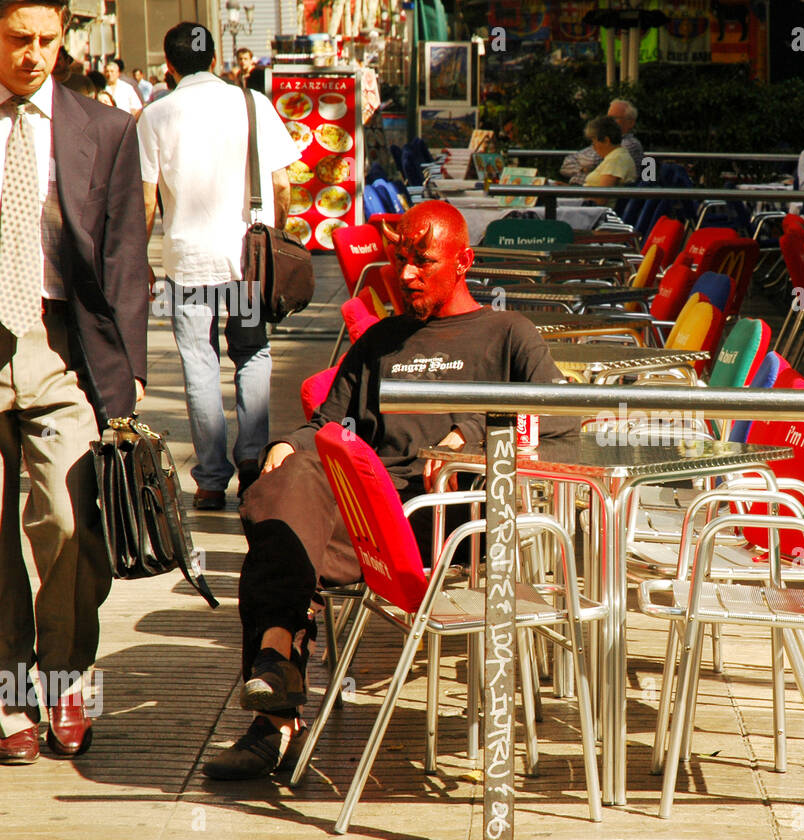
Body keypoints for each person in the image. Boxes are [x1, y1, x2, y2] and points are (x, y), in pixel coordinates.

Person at [202, 201, 577, 779]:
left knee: (288, 531)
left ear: (464, 262)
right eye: (399, 259)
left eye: (422, 261)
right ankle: (277, 673)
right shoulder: (380, 340)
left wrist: (473, 432)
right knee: (282, 483)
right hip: (361, 511)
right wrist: (291, 444)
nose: (404, 276)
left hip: (442, 520)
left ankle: (273, 714)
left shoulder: (507, 334)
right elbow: (328, 423)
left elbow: (562, 417)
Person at [0, 0, 150, 764]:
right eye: (18, 40)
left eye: (48, 41)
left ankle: (68, 679)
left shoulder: (108, 129)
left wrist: (129, 375)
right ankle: (7, 699)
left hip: (63, 349)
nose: (34, 55)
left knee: (66, 518)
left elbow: (126, 260)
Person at [137, 22, 298, 511]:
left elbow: (146, 200)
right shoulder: (254, 104)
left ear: (169, 66)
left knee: (200, 364)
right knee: (252, 352)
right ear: (214, 60)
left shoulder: (155, 115)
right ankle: (252, 462)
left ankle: (209, 480)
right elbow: (284, 184)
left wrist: (140, 257)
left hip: (187, 264)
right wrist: (276, 233)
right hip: (246, 264)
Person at [559, 98, 644, 185]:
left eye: (613, 118)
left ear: (631, 122)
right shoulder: (605, 143)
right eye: (607, 118)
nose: (608, 122)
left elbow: (594, 160)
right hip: (582, 191)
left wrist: (584, 168)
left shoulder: (625, 148)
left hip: (589, 193)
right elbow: (568, 162)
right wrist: (582, 169)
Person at [581, 114, 636, 202]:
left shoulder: (616, 159)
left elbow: (601, 199)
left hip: (594, 212)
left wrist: (573, 198)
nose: (593, 148)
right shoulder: (615, 156)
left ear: (606, 141)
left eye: (594, 143)